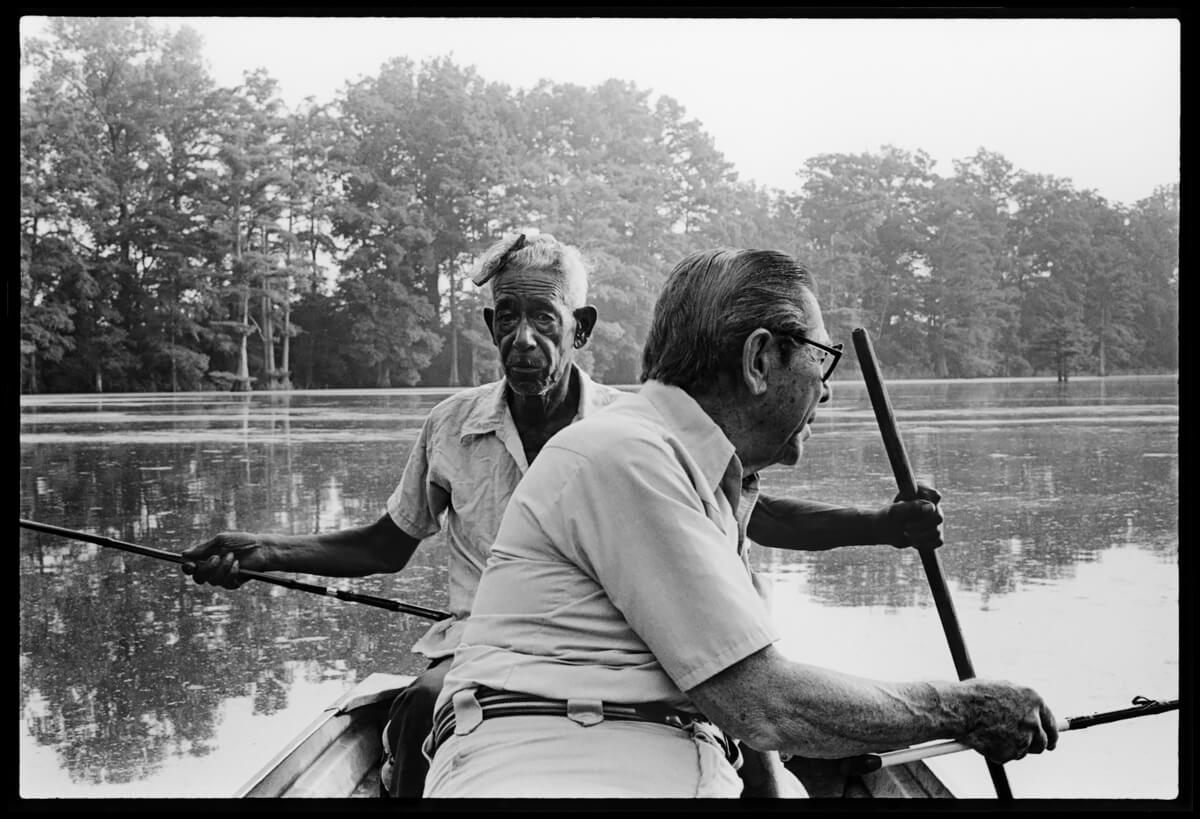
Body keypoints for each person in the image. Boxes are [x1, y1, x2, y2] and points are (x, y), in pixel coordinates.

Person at [422, 248, 1058, 798]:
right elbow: (760, 701)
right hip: (564, 766)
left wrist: (832, 735)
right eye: (821, 357)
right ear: (759, 359)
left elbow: (749, 696)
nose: (827, 389)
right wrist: (962, 710)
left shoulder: (690, 468)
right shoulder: (626, 454)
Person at [180, 232, 627, 798]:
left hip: (601, 646)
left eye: (545, 317)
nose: (523, 339)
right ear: (491, 327)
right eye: (508, 318)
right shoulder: (451, 426)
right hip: (480, 647)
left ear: (581, 327)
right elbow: (385, 548)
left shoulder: (630, 429)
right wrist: (264, 553)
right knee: (420, 705)